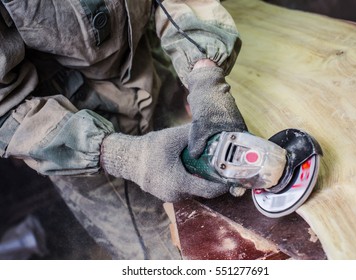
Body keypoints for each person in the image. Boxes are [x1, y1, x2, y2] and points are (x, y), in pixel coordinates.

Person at [0, 0, 247, 259]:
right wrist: (125, 157)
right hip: (73, 135)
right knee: (170, 254)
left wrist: (205, 75)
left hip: (154, 69)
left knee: (229, 227)